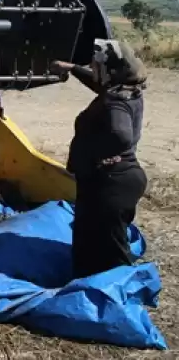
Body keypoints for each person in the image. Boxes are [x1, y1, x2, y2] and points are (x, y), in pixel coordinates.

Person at [51, 38, 148, 279]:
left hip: (110, 185)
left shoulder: (114, 100)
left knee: (112, 254)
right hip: (113, 181)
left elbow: (121, 135)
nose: (94, 69)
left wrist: (98, 158)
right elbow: (99, 84)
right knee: (89, 245)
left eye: (97, 66)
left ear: (109, 70)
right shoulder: (126, 89)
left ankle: (118, 301)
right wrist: (72, 68)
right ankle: (86, 291)